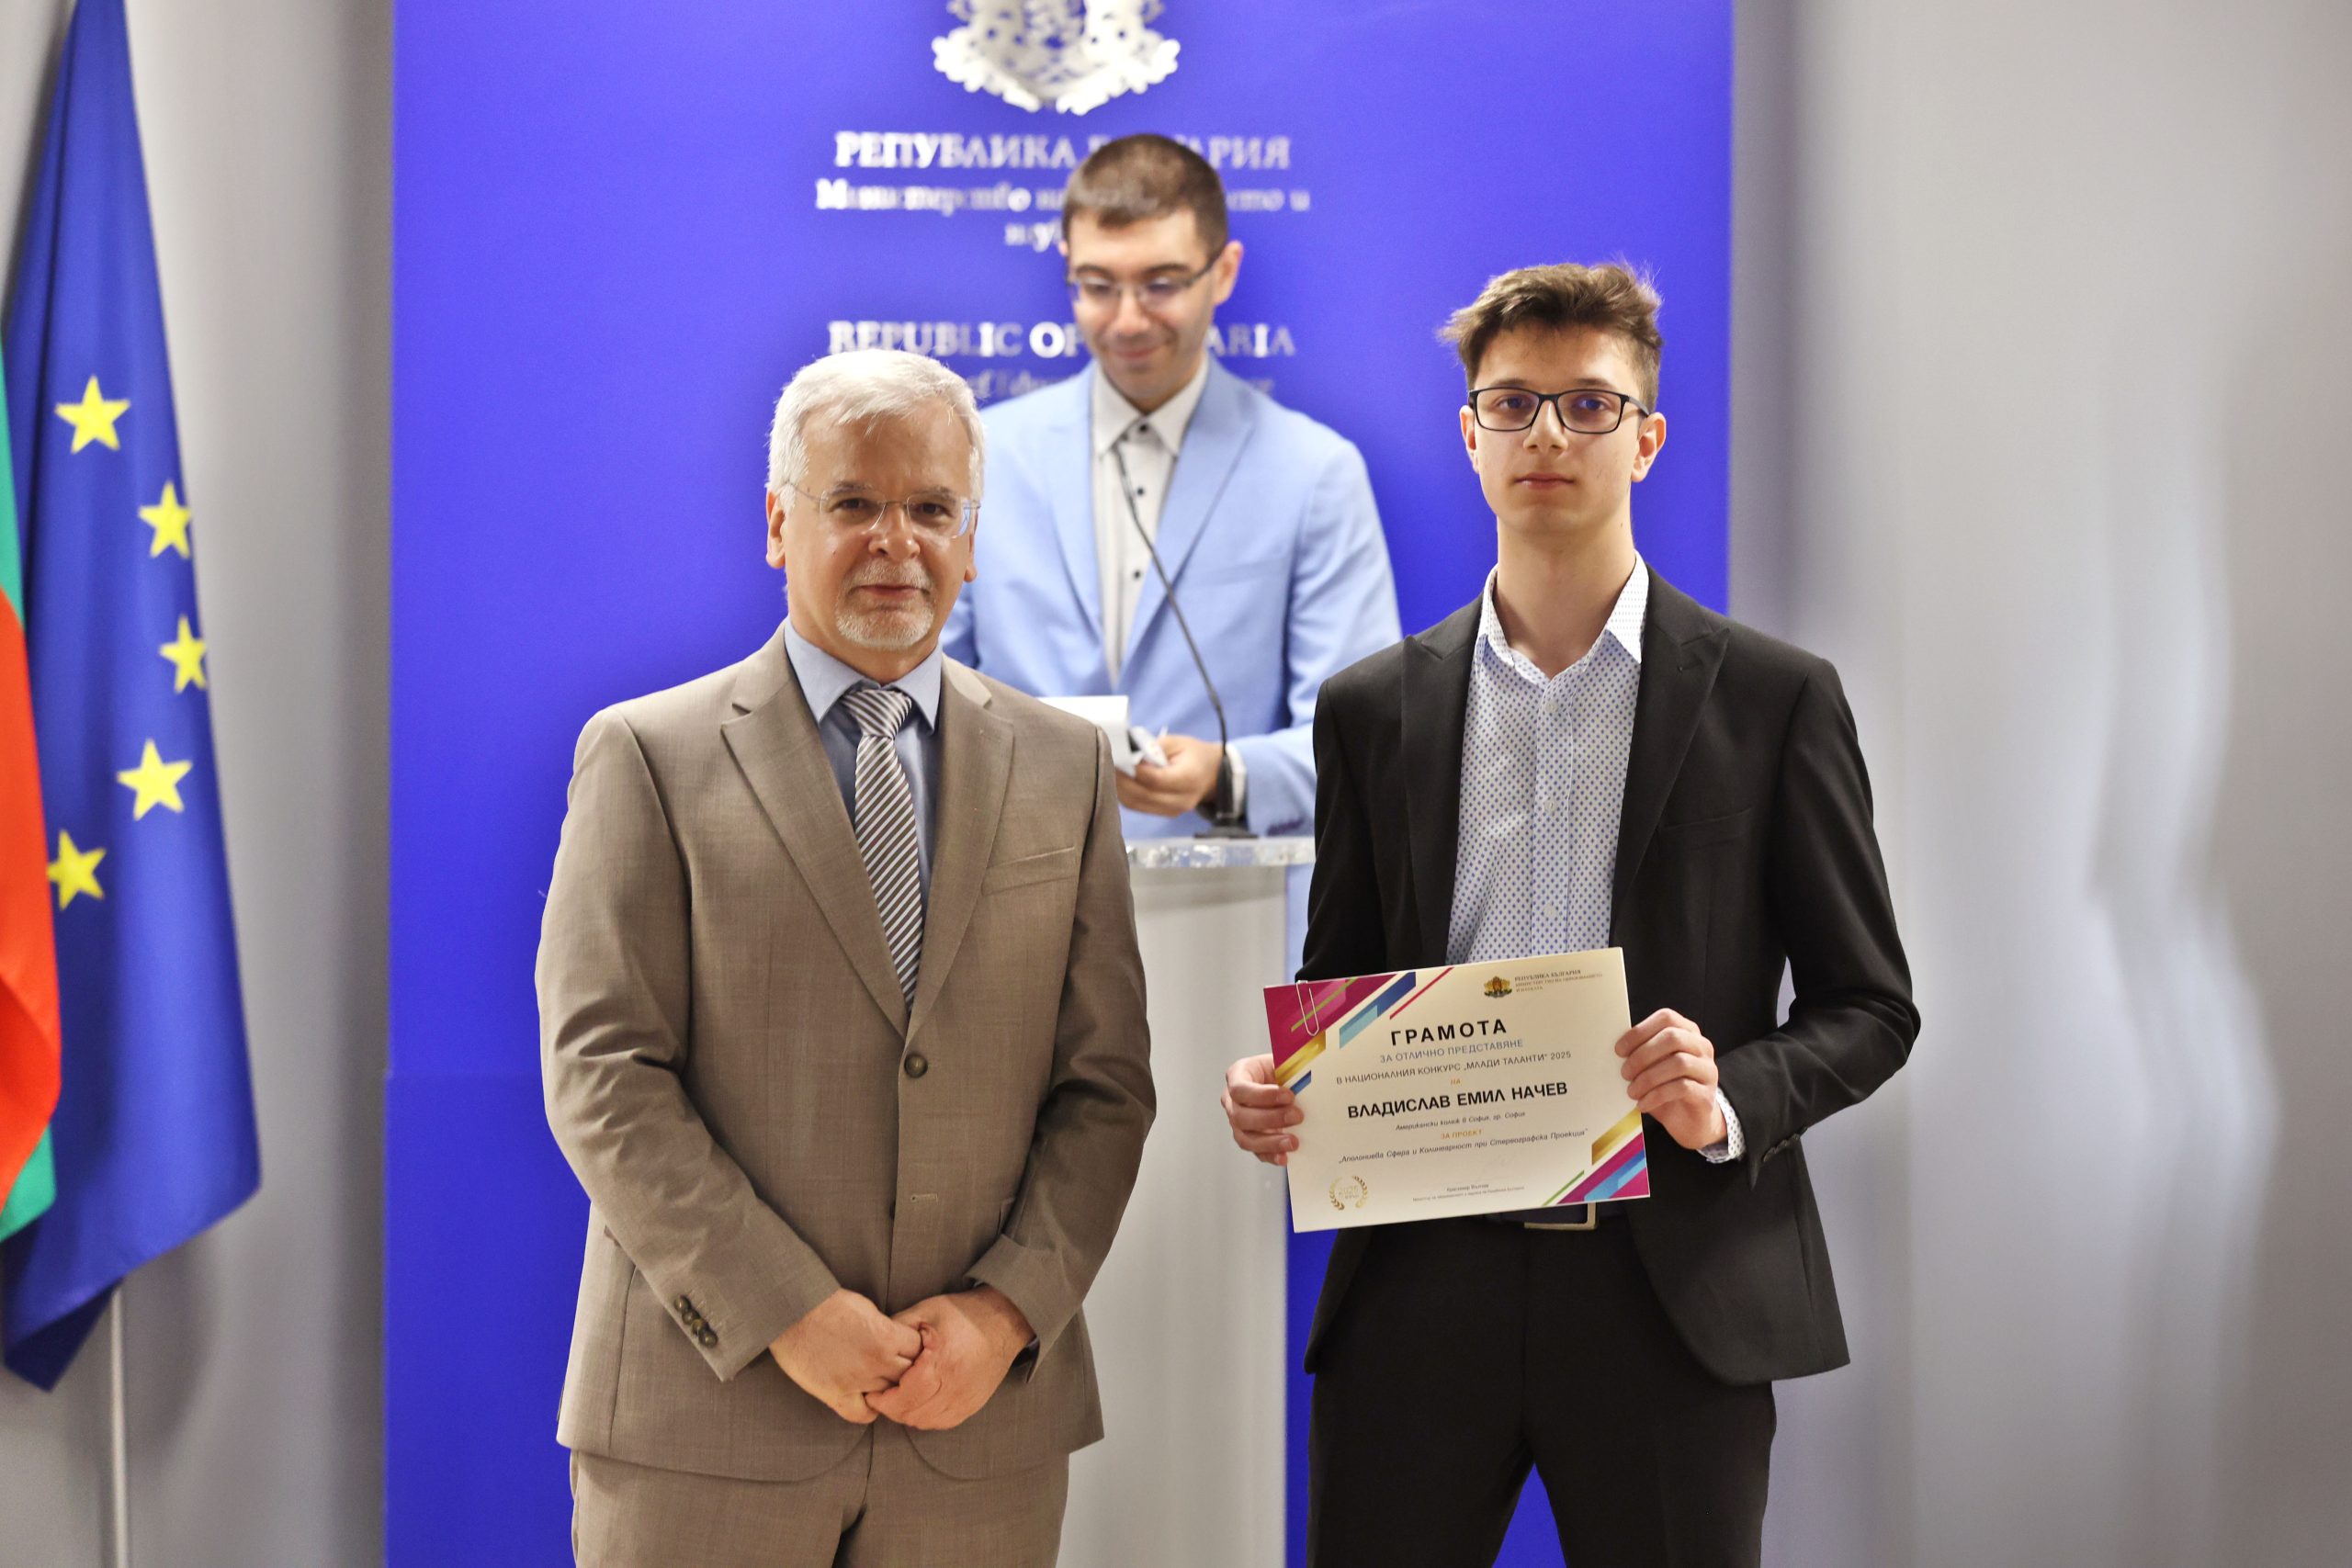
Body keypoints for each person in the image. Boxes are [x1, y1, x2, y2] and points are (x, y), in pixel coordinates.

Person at [1219, 264, 1918, 1566]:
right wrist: (1289, 1084)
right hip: (1422, 1284)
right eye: (1514, 403)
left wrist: (1727, 1096)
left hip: (1672, 1286)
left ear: (1646, 439)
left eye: (1588, 405)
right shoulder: (1370, 709)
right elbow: (1344, 981)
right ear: (1469, 434)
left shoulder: (1774, 699)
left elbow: (1871, 1006)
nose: (1547, 433)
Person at [539, 349, 1155, 1567]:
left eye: (931, 508)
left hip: (975, 1430)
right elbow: (605, 1077)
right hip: (710, 1421)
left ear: (971, 536)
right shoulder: (647, 756)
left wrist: (1003, 1313)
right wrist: (787, 1312)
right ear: (781, 524)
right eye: (854, 503)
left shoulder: (1066, 769)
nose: (896, 542)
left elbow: (1106, 1087)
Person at [941, 132, 1399, 841]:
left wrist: (1228, 774)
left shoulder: (1316, 471)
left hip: (1229, 895)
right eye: (1098, 286)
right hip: (1015, 884)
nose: (1127, 319)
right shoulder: (983, 458)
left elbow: (1364, 738)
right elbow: (922, 693)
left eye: (1161, 284)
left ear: (1224, 272)